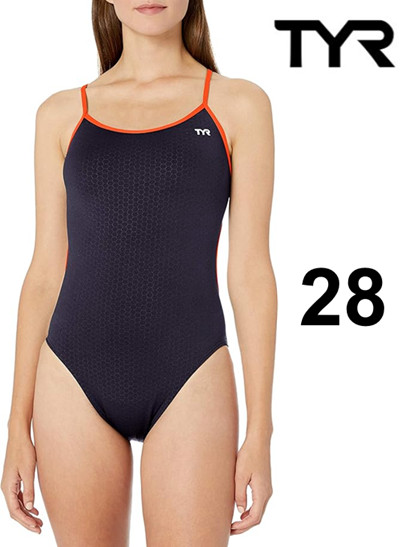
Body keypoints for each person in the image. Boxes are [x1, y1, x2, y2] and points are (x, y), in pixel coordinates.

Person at [1, 0, 277, 544]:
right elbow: (44, 272)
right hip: (71, 376)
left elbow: (251, 274)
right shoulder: (61, 113)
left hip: (191, 371)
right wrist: (16, 427)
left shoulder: (238, 105)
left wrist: (260, 432)